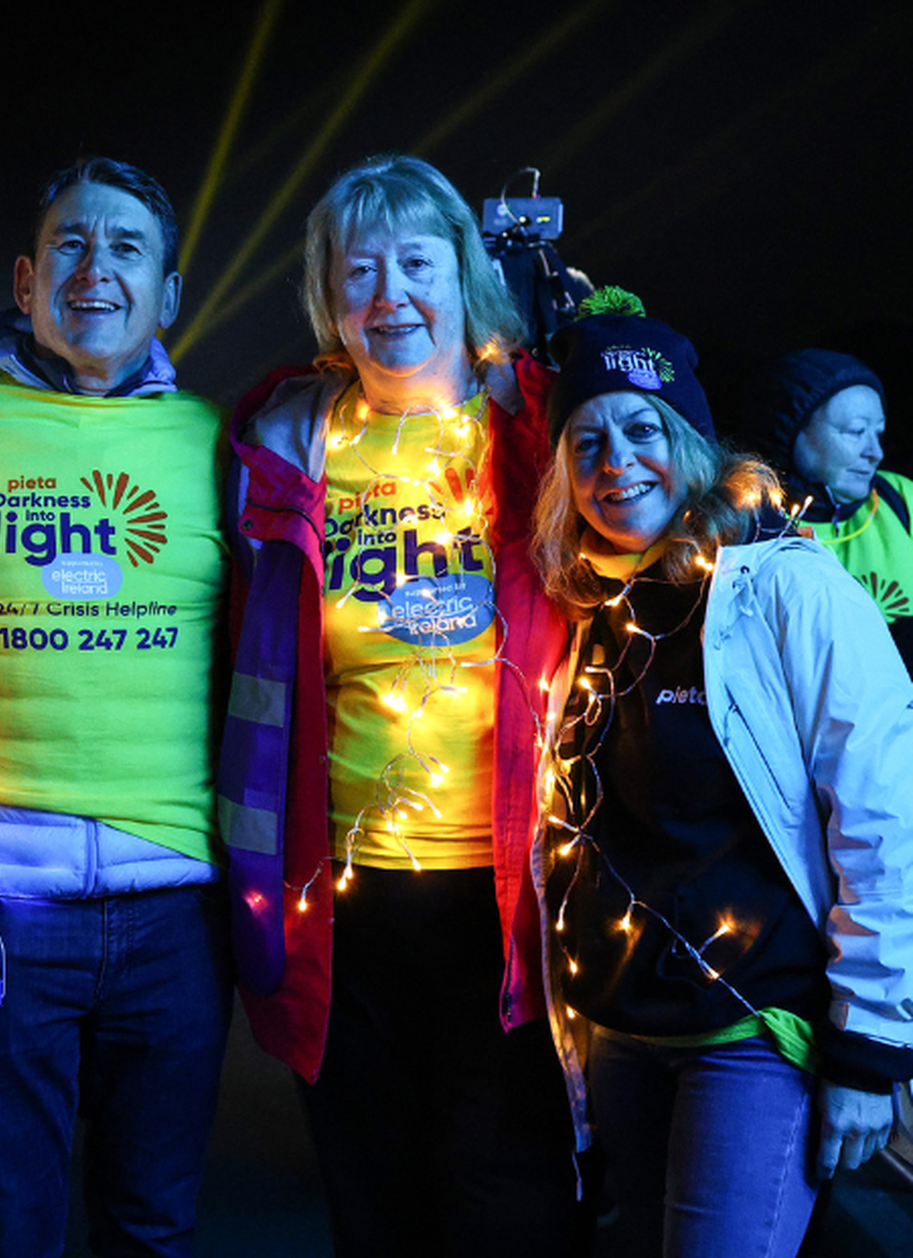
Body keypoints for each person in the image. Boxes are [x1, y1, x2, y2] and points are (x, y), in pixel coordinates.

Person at [216, 153, 581, 1256]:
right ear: (327, 298)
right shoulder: (285, 444)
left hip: (510, 891)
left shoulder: (535, 426)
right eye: (356, 269)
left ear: (462, 274)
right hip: (342, 896)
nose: (388, 295)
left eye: (414, 262)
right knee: (370, 1205)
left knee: (499, 1201)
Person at [0, 157, 230, 1258]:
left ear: (167, 296)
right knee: (2, 1227)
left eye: (127, 249)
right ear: (27, 281)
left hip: (174, 908)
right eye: (72, 246)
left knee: (152, 1225)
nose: (98, 271)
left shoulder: (216, 443)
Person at [532, 289, 913, 1257]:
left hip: (751, 1035)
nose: (613, 462)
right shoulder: (581, 616)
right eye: (584, 441)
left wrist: (868, 1051)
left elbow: (880, 814)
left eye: (639, 428)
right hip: (621, 1037)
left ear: (691, 443)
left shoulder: (786, 587)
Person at [742, 349, 912, 669]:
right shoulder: (749, 525)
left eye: (879, 434)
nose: (874, 453)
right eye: (855, 432)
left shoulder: (900, 497)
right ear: (791, 429)